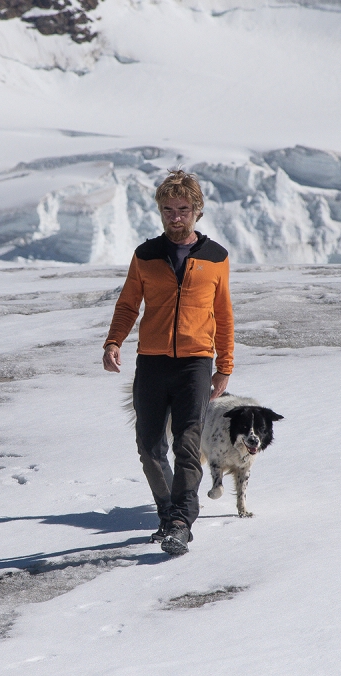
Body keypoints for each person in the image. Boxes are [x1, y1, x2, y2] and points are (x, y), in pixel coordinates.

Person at [102, 170, 234, 556]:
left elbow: (223, 314)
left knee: (187, 445)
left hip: (195, 363)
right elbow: (128, 305)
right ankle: (167, 513)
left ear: (197, 211)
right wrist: (113, 342)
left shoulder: (216, 257)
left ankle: (180, 522)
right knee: (149, 446)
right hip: (152, 362)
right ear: (160, 212)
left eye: (183, 210)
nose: (175, 217)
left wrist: (224, 366)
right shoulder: (146, 255)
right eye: (168, 210)